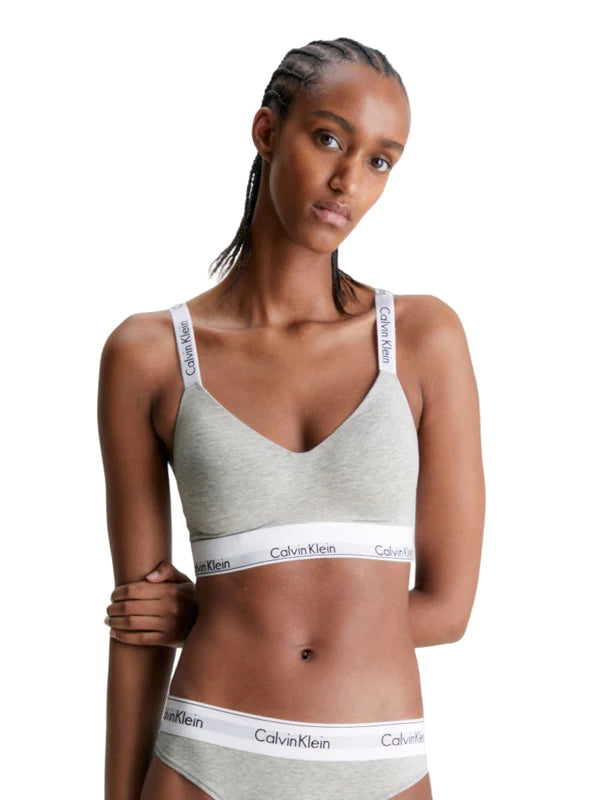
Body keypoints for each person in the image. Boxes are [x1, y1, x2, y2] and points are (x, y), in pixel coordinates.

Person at [98, 36, 485, 800]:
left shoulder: (423, 339)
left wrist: (224, 610)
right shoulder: (149, 355)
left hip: (380, 767)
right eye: (330, 138)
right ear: (268, 131)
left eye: (380, 160)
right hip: (203, 760)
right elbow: (139, 631)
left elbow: (449, 609)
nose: (349, 180)